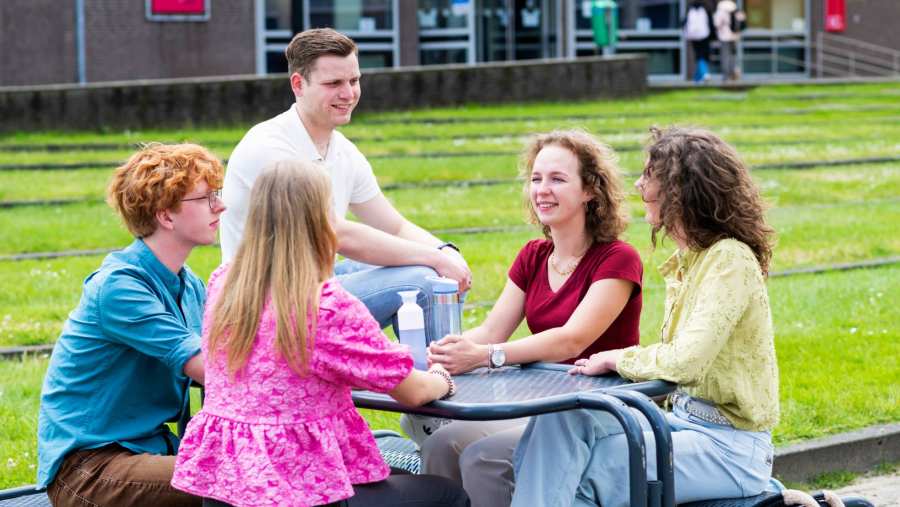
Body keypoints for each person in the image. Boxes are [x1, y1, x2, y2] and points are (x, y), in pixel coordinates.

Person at [170, 160, 468, 507]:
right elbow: (413, 392)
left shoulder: (226, 282)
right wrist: (440, 376)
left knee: (397, 477)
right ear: (321, 220)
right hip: (301, 489)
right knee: (446, 495)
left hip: (228, 486)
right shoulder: (324, 305)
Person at [511, 126, 780, 507]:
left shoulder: (730, 259)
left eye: (650, 175)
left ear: (680, 189)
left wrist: (619, 357)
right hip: (680, 423)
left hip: (728, 448)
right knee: (560, 417)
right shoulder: (690, 261)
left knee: (585, 475)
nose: (638, 184)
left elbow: (686, 362)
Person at [418, 130, 644, 507]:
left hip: (599, 409)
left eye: (557, 179)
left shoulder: (618, 259)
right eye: (536, 179)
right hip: (545, 403)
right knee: (442, 443)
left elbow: (571, 340)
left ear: (590, 190)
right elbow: (492, 330)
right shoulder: (534, 255)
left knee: (483, 458)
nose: (542, 190)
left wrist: (487, 355)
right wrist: (444, 352)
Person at [221, 28, 471, 345]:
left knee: (437, 271)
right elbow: (334, 233)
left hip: (311, 283)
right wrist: (436, 261)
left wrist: (446, 252)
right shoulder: (270, 148)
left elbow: (393, 225)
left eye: (354, 81)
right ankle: (440, 380)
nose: (349, 93)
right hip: (266, 302)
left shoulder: (342, 150)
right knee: (424, 281)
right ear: (298, 84)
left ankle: (434, 372)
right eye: (333, 84)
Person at [36, 143, 226, 507]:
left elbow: (227, 369)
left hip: (146, 450)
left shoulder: (190, 286)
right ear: (166, 216)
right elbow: (212, 368)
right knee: (234, 475)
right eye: (205, 199)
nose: (221, 206)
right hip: (89, 470)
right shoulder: (119, 288)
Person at [714, 0, 745, 82]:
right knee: (732, 56)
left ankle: (726, 75)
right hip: (734, 36)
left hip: (724, 36)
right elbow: (742, 21)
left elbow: (717, 23)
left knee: (725, 56)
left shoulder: (720, 9)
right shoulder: (735, 8)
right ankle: (733, 73)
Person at [684, 0, 714, 83]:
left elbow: (685, 22)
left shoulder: (690, 9)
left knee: (698, 55)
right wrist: (713, 36)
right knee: (703, 56)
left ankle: (697, 78)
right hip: (705, 36)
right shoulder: (706, 9)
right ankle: (705, 73)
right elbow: (711, 24)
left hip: (693, 36)